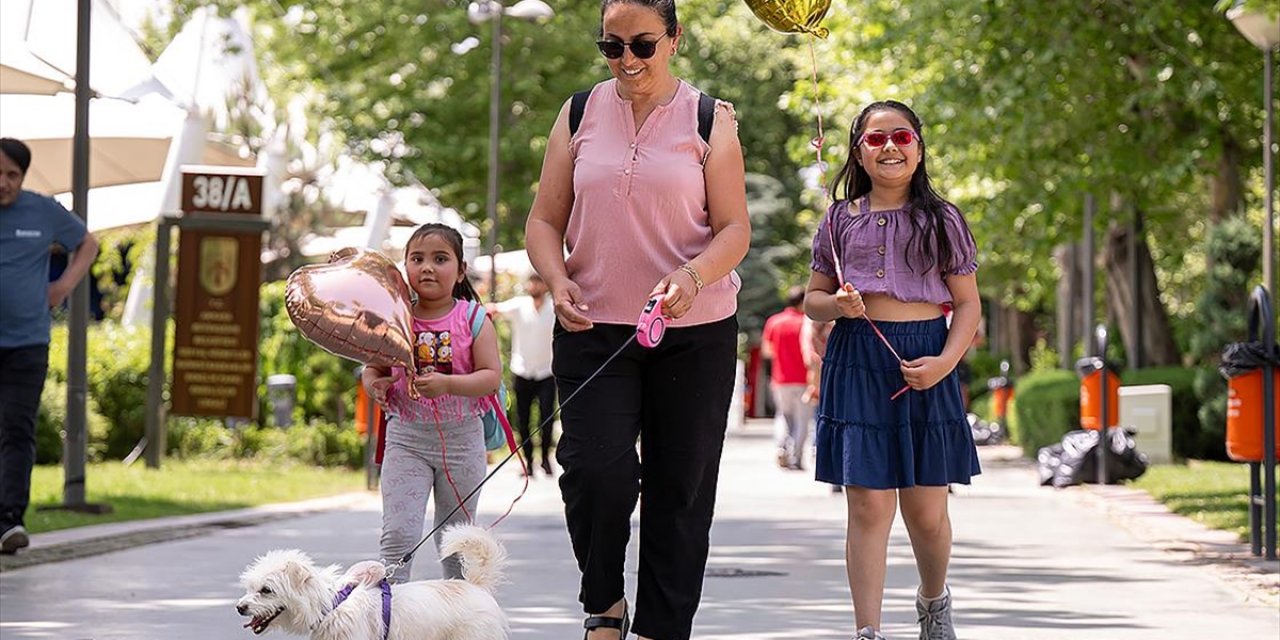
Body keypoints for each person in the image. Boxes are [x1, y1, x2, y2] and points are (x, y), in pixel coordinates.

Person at [524, 1, 750, 636]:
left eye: (643, 45)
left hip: (695, 332)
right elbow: (543, 220)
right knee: (596, 472)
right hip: (592, 329)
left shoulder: (709, 119)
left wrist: (693, 276)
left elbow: (735, 229)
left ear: (674, 40)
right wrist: (557, 279)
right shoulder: (577, 113)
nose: (627, 60)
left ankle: (660, 628)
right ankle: (604, 603)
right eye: (612, 46)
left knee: (681, 488)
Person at [804, 101, 981, 640]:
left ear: (919, 149)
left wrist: (945, 364)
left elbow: (968, 304)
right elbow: (813, 300)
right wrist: (838, 306)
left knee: (926, 512)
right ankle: (868, 631)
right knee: (867, 505)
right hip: (857, 361)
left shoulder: (943, 219)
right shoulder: (838, 219)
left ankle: (934, 601)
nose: (889, 147)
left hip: (926, 358)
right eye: (876, 138)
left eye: (901, 137)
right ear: (858, 151)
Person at [362, 223, 501, 583]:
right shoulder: (394, 319)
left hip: (463, 443)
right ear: (405, 267)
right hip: (406, 440)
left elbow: (491, 376)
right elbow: (372, 368)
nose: (427, 267)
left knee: (455, 543)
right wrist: (375, 385)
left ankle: (458, 612)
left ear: (460, 271)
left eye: (440, 259)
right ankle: (389, 610)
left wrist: (448, 384)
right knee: (398, 535)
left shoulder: (474, 318)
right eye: (417, 259)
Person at [0, 138, 99, 555]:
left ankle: (9, 521)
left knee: (16, 428)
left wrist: (62, 286)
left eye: (12, 175)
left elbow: (88, 244)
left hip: (27, 343)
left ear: (23, 177)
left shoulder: (42, 210)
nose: (3, 183)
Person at [487, 273, 558, 477]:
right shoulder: (520, 305)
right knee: (523, 419)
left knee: (547, 418)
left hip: (546, 371)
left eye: (539, 282)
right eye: (532, 282)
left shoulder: (554, 307)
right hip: (522, 370)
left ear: (545, 285)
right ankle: (528, 462)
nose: (534, 286)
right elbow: (494, 309)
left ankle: (545, 459)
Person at [761, 285, 812, 470]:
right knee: (802, 420)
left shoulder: (774, 322)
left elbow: (767, 351)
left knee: (783, 415)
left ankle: (781, 448)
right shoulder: (806, 323)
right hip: (804, 379)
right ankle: (796, 458)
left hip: (780, 379)